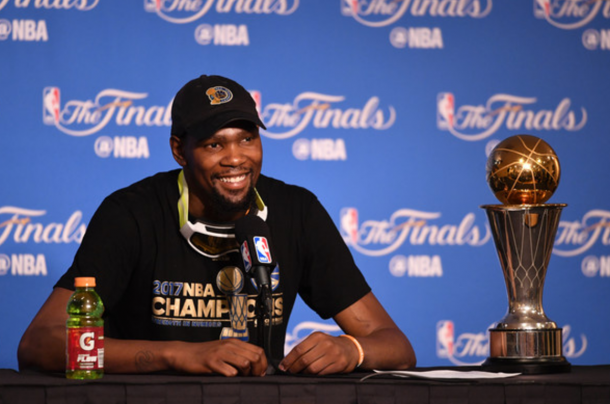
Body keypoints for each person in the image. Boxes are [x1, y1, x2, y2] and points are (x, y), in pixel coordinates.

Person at [17, 75, 416, 377]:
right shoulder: (131, 213)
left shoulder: (297, 211)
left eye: (246, 139)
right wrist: (179, 354)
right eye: (214, 144)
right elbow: (38, 343)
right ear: (179, 151)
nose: (236, 159)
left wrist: (352, 351)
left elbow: (394, 344)